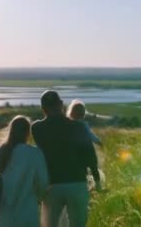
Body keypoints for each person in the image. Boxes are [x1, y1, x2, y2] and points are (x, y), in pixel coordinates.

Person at [32, 91, 101, 227]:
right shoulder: (79, 127)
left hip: (52, 186)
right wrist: (97, 181)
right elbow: (90, 156)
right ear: (61, 104)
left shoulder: (36, 128)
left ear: (43, 109)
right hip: (77, 184)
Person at [0, 115, 49, 227]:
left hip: (5, 215)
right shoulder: (35, 153)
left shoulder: (3, 151)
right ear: (28, 132)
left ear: (11, 131)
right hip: (28, 213)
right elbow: (44, 183)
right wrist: (39, 197)